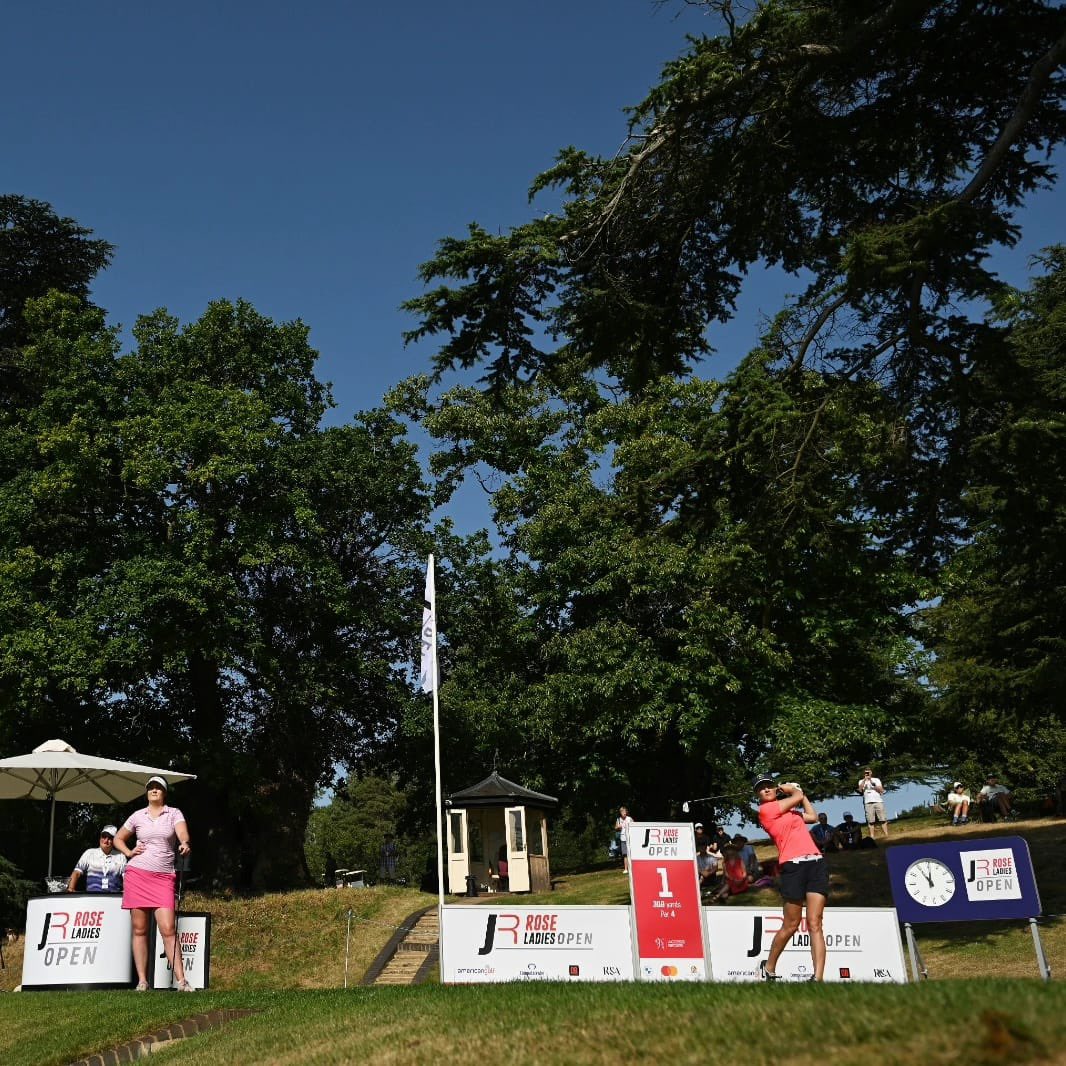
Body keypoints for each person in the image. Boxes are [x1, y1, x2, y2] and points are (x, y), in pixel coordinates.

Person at [114, 776, 193, 992]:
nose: (154, 790)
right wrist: (129, 852)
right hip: (137, 874)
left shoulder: (173, 813)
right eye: (150, 788)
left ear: (164, 793)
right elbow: (117, 839)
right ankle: (142, 981)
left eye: (158, 788)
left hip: (163, 877)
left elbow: (182, 832)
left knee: (168, 928)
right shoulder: (137, 815)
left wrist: (184, 843)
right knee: (140, 929)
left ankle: (182, 981)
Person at [754, 775, 828, 981]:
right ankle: (768, 967)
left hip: (815, 863)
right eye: (762, 788)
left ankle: (818, 979)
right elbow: (796, 796)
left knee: (815, 922)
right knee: (791, 924)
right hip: (792, 866)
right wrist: (794, 790)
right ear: (757, 795)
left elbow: (812, 817)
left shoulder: (790, 810)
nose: (767, 789)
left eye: (769, 785)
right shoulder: (765, 810)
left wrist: (801, 793)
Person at [67, 824, 127, 894]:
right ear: (100, 837)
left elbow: (127, 878)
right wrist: (71, 888)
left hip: (114, 898)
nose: (106, 840)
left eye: (110, 838)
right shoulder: (89, 853)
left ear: (114, 841)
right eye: (104, 836)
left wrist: (126, 892)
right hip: (92, 898)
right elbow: (77, 872)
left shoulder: (121, 856)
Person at [856, 767, 889, 837]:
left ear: (871, 773)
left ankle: (886, 834)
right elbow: (860, 790)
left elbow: (881, 790)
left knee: (883, 819)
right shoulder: (861, 781)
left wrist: (871, 782)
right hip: (868, 802)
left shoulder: (876, 780)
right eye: (866, 773)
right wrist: (865, 780)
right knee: (870, 821)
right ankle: (872, 836)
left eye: (868, 772)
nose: (867, 774)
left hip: (878, 801)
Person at [615, 806, 634, 873]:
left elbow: (634, 826)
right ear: (620, 813)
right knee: (625, 854)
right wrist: (618, 827)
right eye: (622, 811)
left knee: (631, 853)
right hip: (623, 838)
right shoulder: (618, 819)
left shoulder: (629, 818)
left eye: (625, 811)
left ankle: (632, 867)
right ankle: (626, 869)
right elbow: (616, 828)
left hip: (630, 838)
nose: (624, 813)